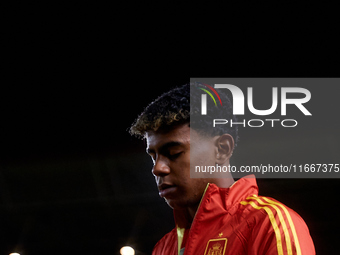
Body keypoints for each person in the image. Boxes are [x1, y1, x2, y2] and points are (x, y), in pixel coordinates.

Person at [129, 83, 315, 255]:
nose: (157, 169)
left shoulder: (269, 224)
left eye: (174, 153)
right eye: (154, 157)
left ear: (222, 149)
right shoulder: (163, 248)